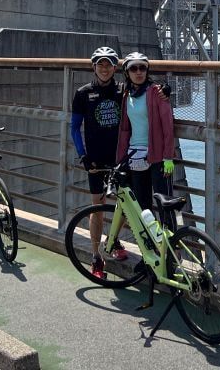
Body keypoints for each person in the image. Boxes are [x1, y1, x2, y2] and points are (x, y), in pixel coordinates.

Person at [71, 46, 170, 279]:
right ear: (93, 66)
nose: (104, 68)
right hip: (95, 159)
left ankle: (112, 242)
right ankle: (96, 255)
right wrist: (82, 155)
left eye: (109, 64)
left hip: (120, 158)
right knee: (97, 206)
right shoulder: (83, 93)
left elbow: (145, 88)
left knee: (126, 204)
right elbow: (74, 128)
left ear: (116, 68)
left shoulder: (123, 91)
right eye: (100, 64)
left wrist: (164, 88)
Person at [116, 52, 176, 215]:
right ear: (127, 72)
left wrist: (168, 157)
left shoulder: (157, 92)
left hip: (158, 158)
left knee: (167, 205)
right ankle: (150, 241)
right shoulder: (126, 94)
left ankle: (171, 239)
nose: (138, 72)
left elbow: (168, 126)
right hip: (135, 157)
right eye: (133, 68)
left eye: (142, 67)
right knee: (143, 208)